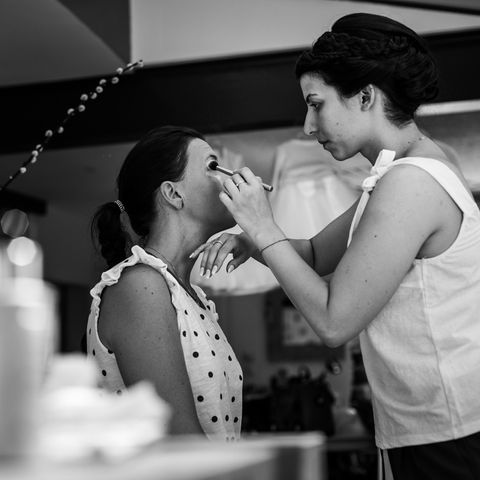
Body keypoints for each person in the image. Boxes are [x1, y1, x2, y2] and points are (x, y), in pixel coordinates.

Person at [192, 13, 480, 479]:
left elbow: (333, 322)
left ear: (365, 96)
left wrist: (263, 226)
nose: (308, 125)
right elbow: (312, 253)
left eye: (316, 104)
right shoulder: (402, 171)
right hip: (425, 426)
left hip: (450, 430)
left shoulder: (411, 182)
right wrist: (255, 241)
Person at [87, 126, 243, 440]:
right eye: (213, 167)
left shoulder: (191, 294)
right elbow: (180, 439)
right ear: (173, 194)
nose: (230, 177)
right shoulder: (141, 287)